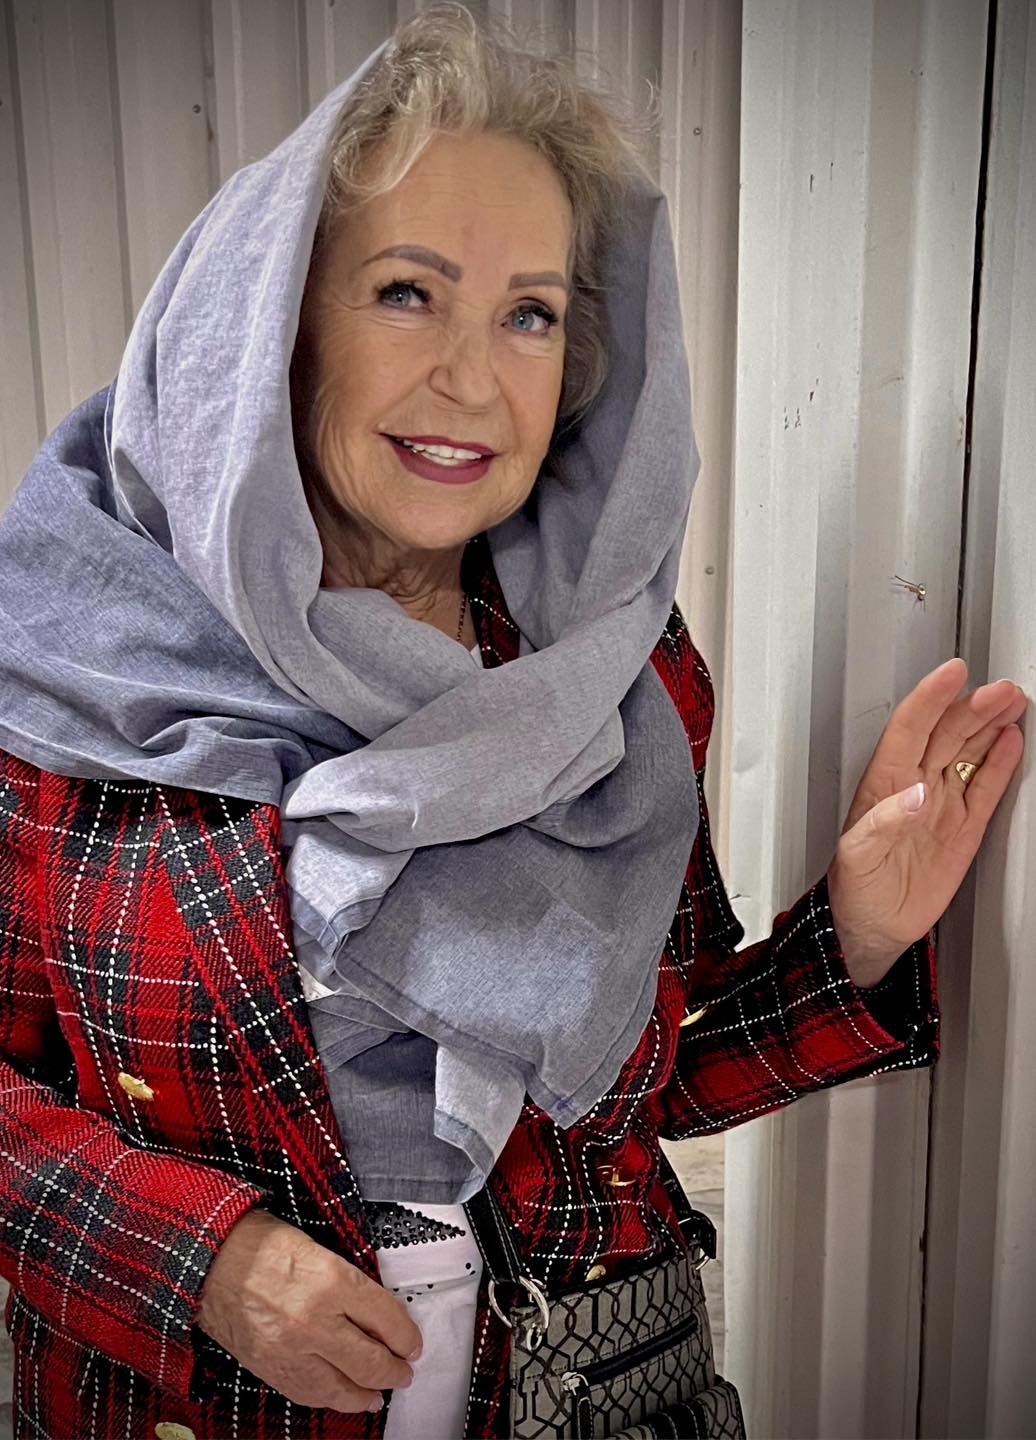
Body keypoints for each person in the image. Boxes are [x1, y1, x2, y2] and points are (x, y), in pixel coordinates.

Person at [0, 5, 1025, 1438]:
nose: (474, 379)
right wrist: (203, 1264)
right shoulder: (66, 666)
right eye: (406, 292)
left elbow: (635, 1077)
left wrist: (850, 935)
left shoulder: (612, 669)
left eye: (529, 313)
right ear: (273, 327)